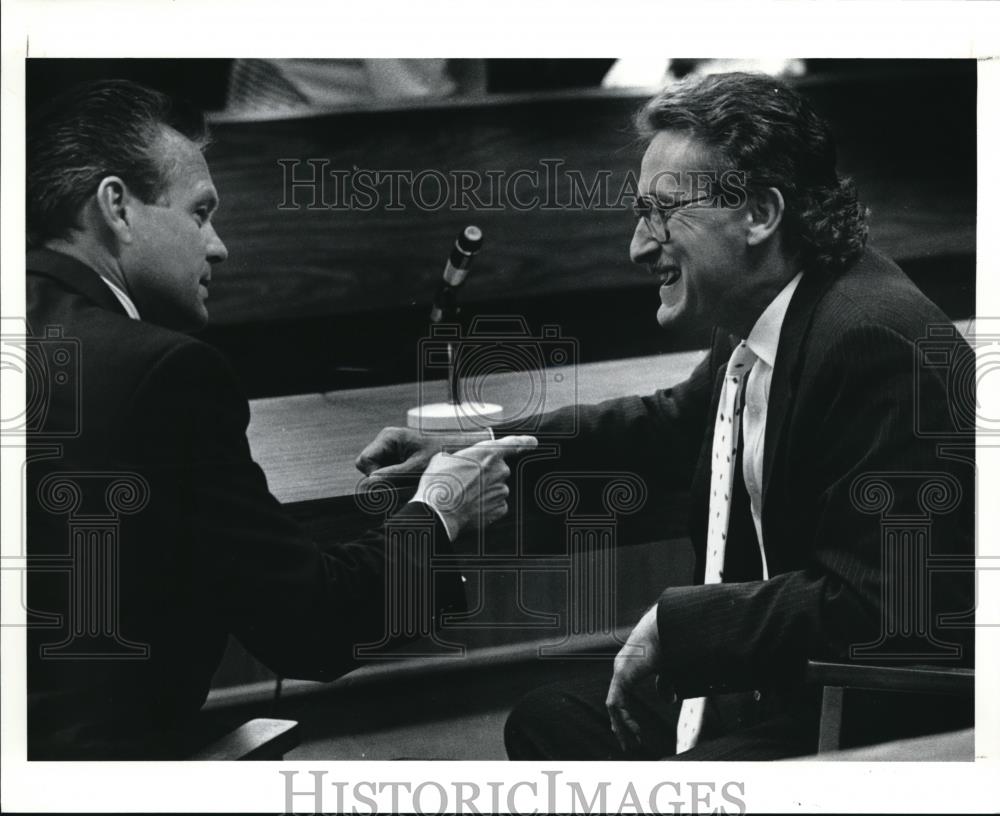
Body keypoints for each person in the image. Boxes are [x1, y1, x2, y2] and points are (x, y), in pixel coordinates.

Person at [356, 72, 975, 760]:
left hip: (867, 723)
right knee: (548, 719)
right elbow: (665, 425)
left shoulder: (871, 343)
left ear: (760, 213)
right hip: (784, 686)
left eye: (663, 212)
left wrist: (679, 628)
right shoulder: (771, 314)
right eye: (638, 214)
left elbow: (887, 615)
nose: (639, 246)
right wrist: (483, 448)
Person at [24, 79, 536, 760]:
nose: (219, 246)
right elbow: (311, 628)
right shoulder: (165, 374)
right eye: (200, 213)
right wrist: (439, 510)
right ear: (117, 206)